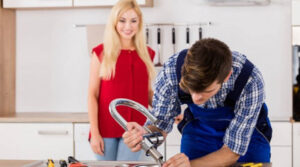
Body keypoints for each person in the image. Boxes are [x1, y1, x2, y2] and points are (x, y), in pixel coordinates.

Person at [123, 38, 272, 167]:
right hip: (199, 135)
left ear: (226, 77)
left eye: (205, 91)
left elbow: (233, 151)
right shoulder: (170, 73)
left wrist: (190, 165)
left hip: (248, 141)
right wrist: (145, 135)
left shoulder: (249, 81)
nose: (195, 99)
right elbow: (160, 125)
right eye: (190, 89)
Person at [87, 0, 156, 161]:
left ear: (139, 23)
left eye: (133, 21)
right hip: (105, 129)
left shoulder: (147, 54)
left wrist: (168, 113)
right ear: (114, 23)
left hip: (135, 130)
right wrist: (95, 132)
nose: (128, 26)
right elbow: (92, 95)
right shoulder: (101, 53)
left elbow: (147, 93)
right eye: (122, 20)